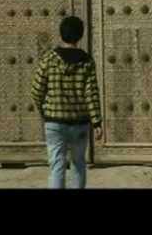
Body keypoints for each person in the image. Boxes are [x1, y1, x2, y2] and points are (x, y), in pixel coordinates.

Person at [31, 16, 103, 189]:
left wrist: (44, 109)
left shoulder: (49, 58)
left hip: (54, 122)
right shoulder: (86, 61)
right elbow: (91, 93)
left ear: (61, 34)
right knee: (78, 164)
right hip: (80, 123)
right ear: (80, 36)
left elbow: (36, 89)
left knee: (57, 166)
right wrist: (97, 121)